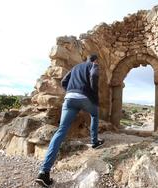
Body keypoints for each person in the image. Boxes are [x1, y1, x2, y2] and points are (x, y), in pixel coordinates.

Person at [35, 54, 104, 187]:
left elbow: (63, 82)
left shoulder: (76, 67)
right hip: (85, 98)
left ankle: (44, 172)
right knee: (95, 115)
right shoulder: (93, 65)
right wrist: (93, 93)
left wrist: (71, 91)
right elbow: (94, 76)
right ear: (95, 60)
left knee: (61, 131)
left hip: (69, 98)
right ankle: (94, 141)